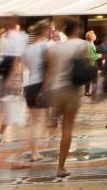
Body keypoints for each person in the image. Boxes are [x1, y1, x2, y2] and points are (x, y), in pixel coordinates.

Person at [42, 19, 90, 178]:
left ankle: (53, 116)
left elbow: (49, 72)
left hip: (56, 89)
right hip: (72, 90)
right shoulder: (83, 45)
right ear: (77, 30)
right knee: (67, 128)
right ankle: (60, 167)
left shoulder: (55, 47)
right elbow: (86, 67)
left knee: (57, 121)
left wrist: (43, 90)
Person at [9, 20, 51, 167]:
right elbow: (49, 69)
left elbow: (25, 67)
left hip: (29, 86)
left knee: (33, 122)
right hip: (40, 86)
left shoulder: (27, 49)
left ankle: (34, 153)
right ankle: (18, 157)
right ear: (45, 31)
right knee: (35, 125)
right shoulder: (45, 46)